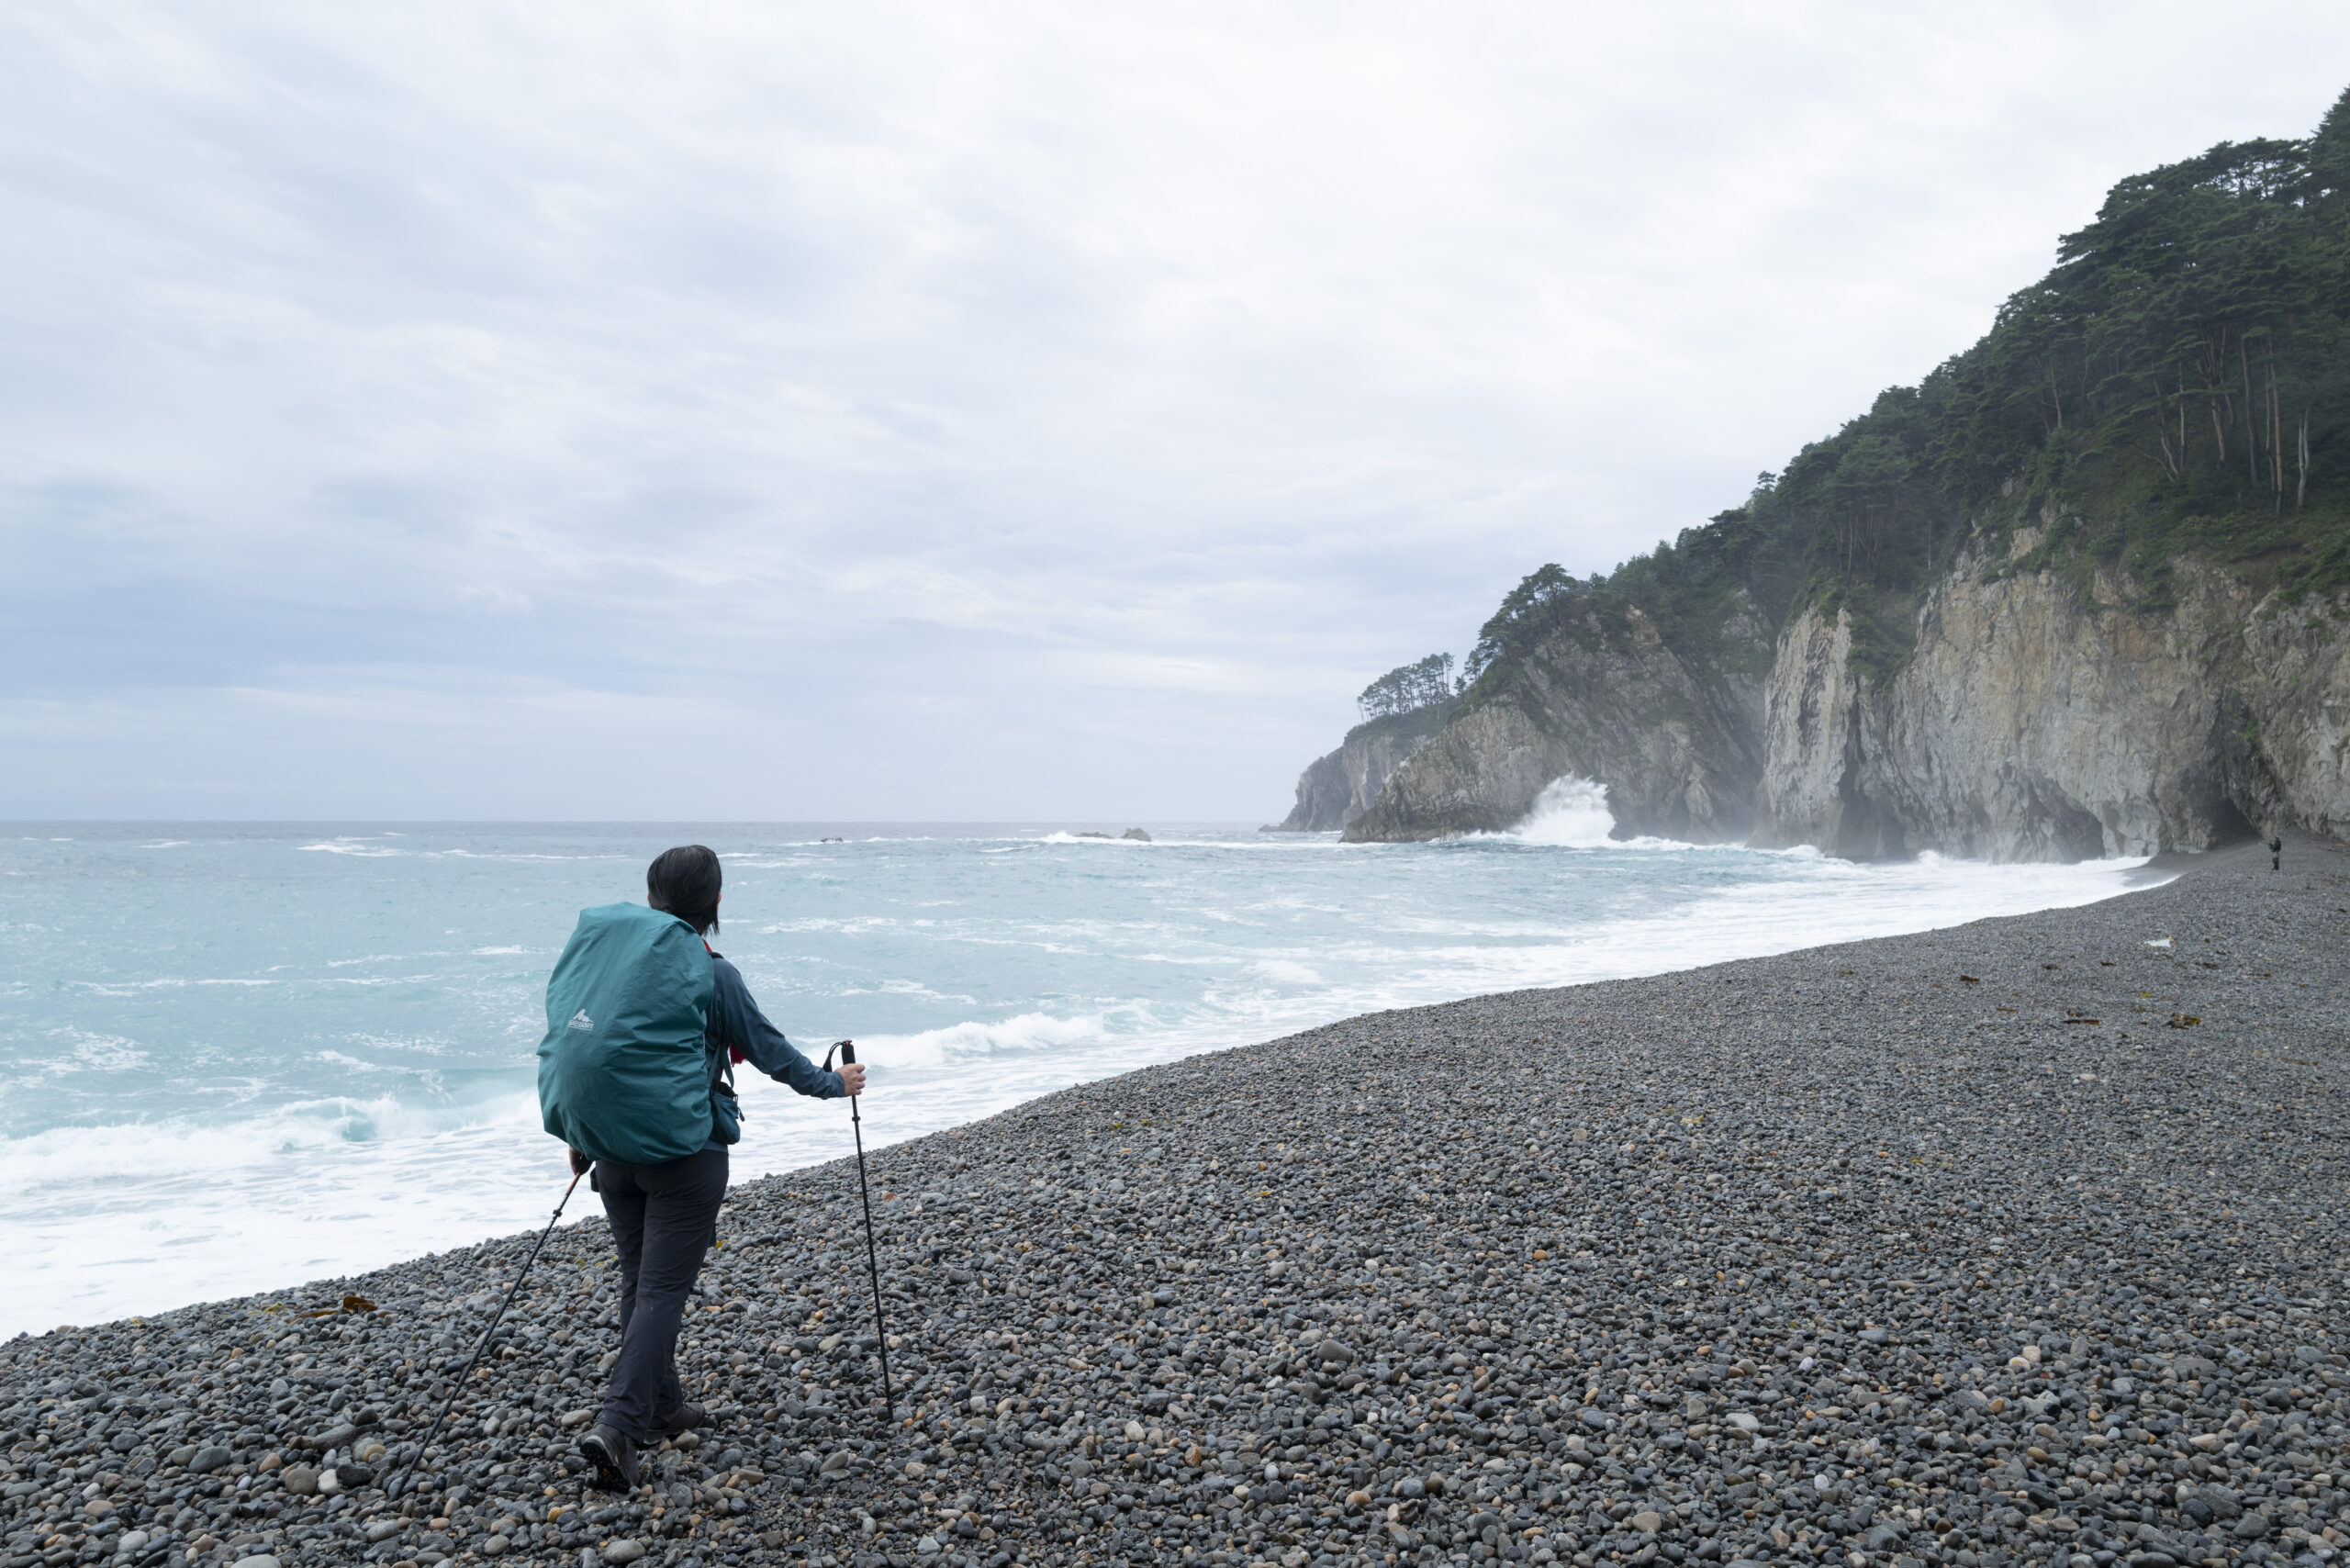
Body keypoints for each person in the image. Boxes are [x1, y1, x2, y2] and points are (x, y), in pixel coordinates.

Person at [576, 845, 867, 1490]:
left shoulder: (615, 969)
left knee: (639, 1285)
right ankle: (619, 1428)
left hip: (612, 1154)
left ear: (652, 898)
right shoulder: (714, 974)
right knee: (659, 1293)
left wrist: (579, 1133)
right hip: (685, 1156)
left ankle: (661, 1406)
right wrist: (833, 1083)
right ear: (715, 903)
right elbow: (769, 1052)